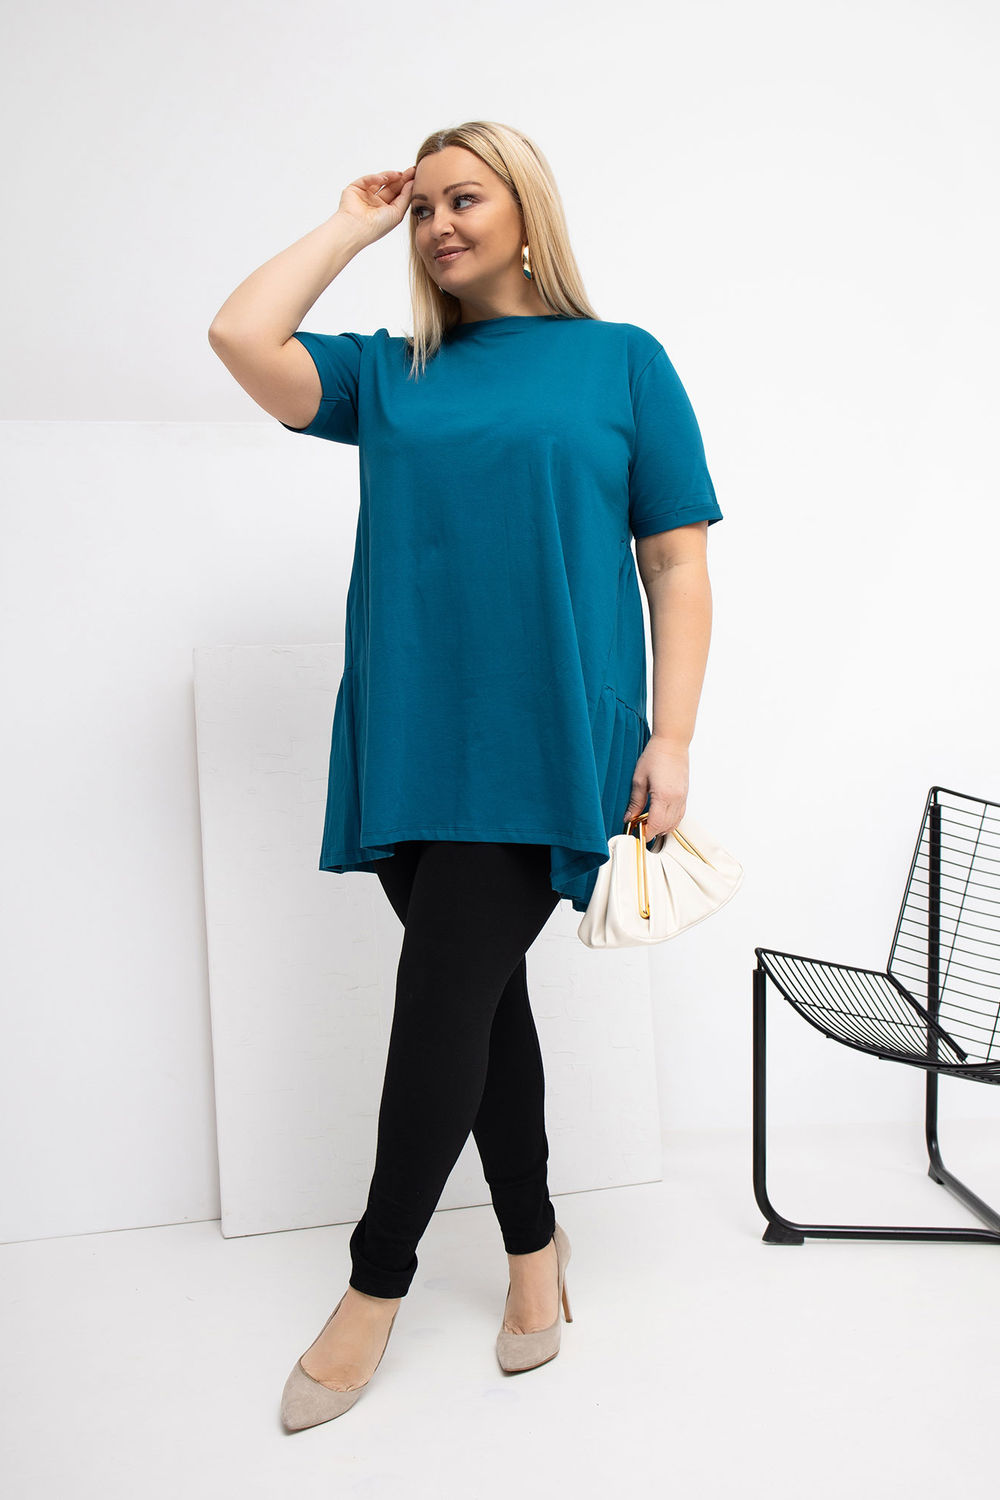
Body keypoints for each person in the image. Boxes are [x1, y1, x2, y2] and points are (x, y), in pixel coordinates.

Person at [208, 119, 723, 1431]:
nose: (438, 224)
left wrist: (671, 737)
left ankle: (374, 1286)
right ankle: (536, 1256)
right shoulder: (394, 373)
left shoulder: (620, 361)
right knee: (480, 1004)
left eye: (464, 199)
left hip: (548, 732)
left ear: (527, 210)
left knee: (441, 995)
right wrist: (352, 221)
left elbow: (675, 561)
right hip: (414, 731)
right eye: (424, 206)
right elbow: (241, 336)